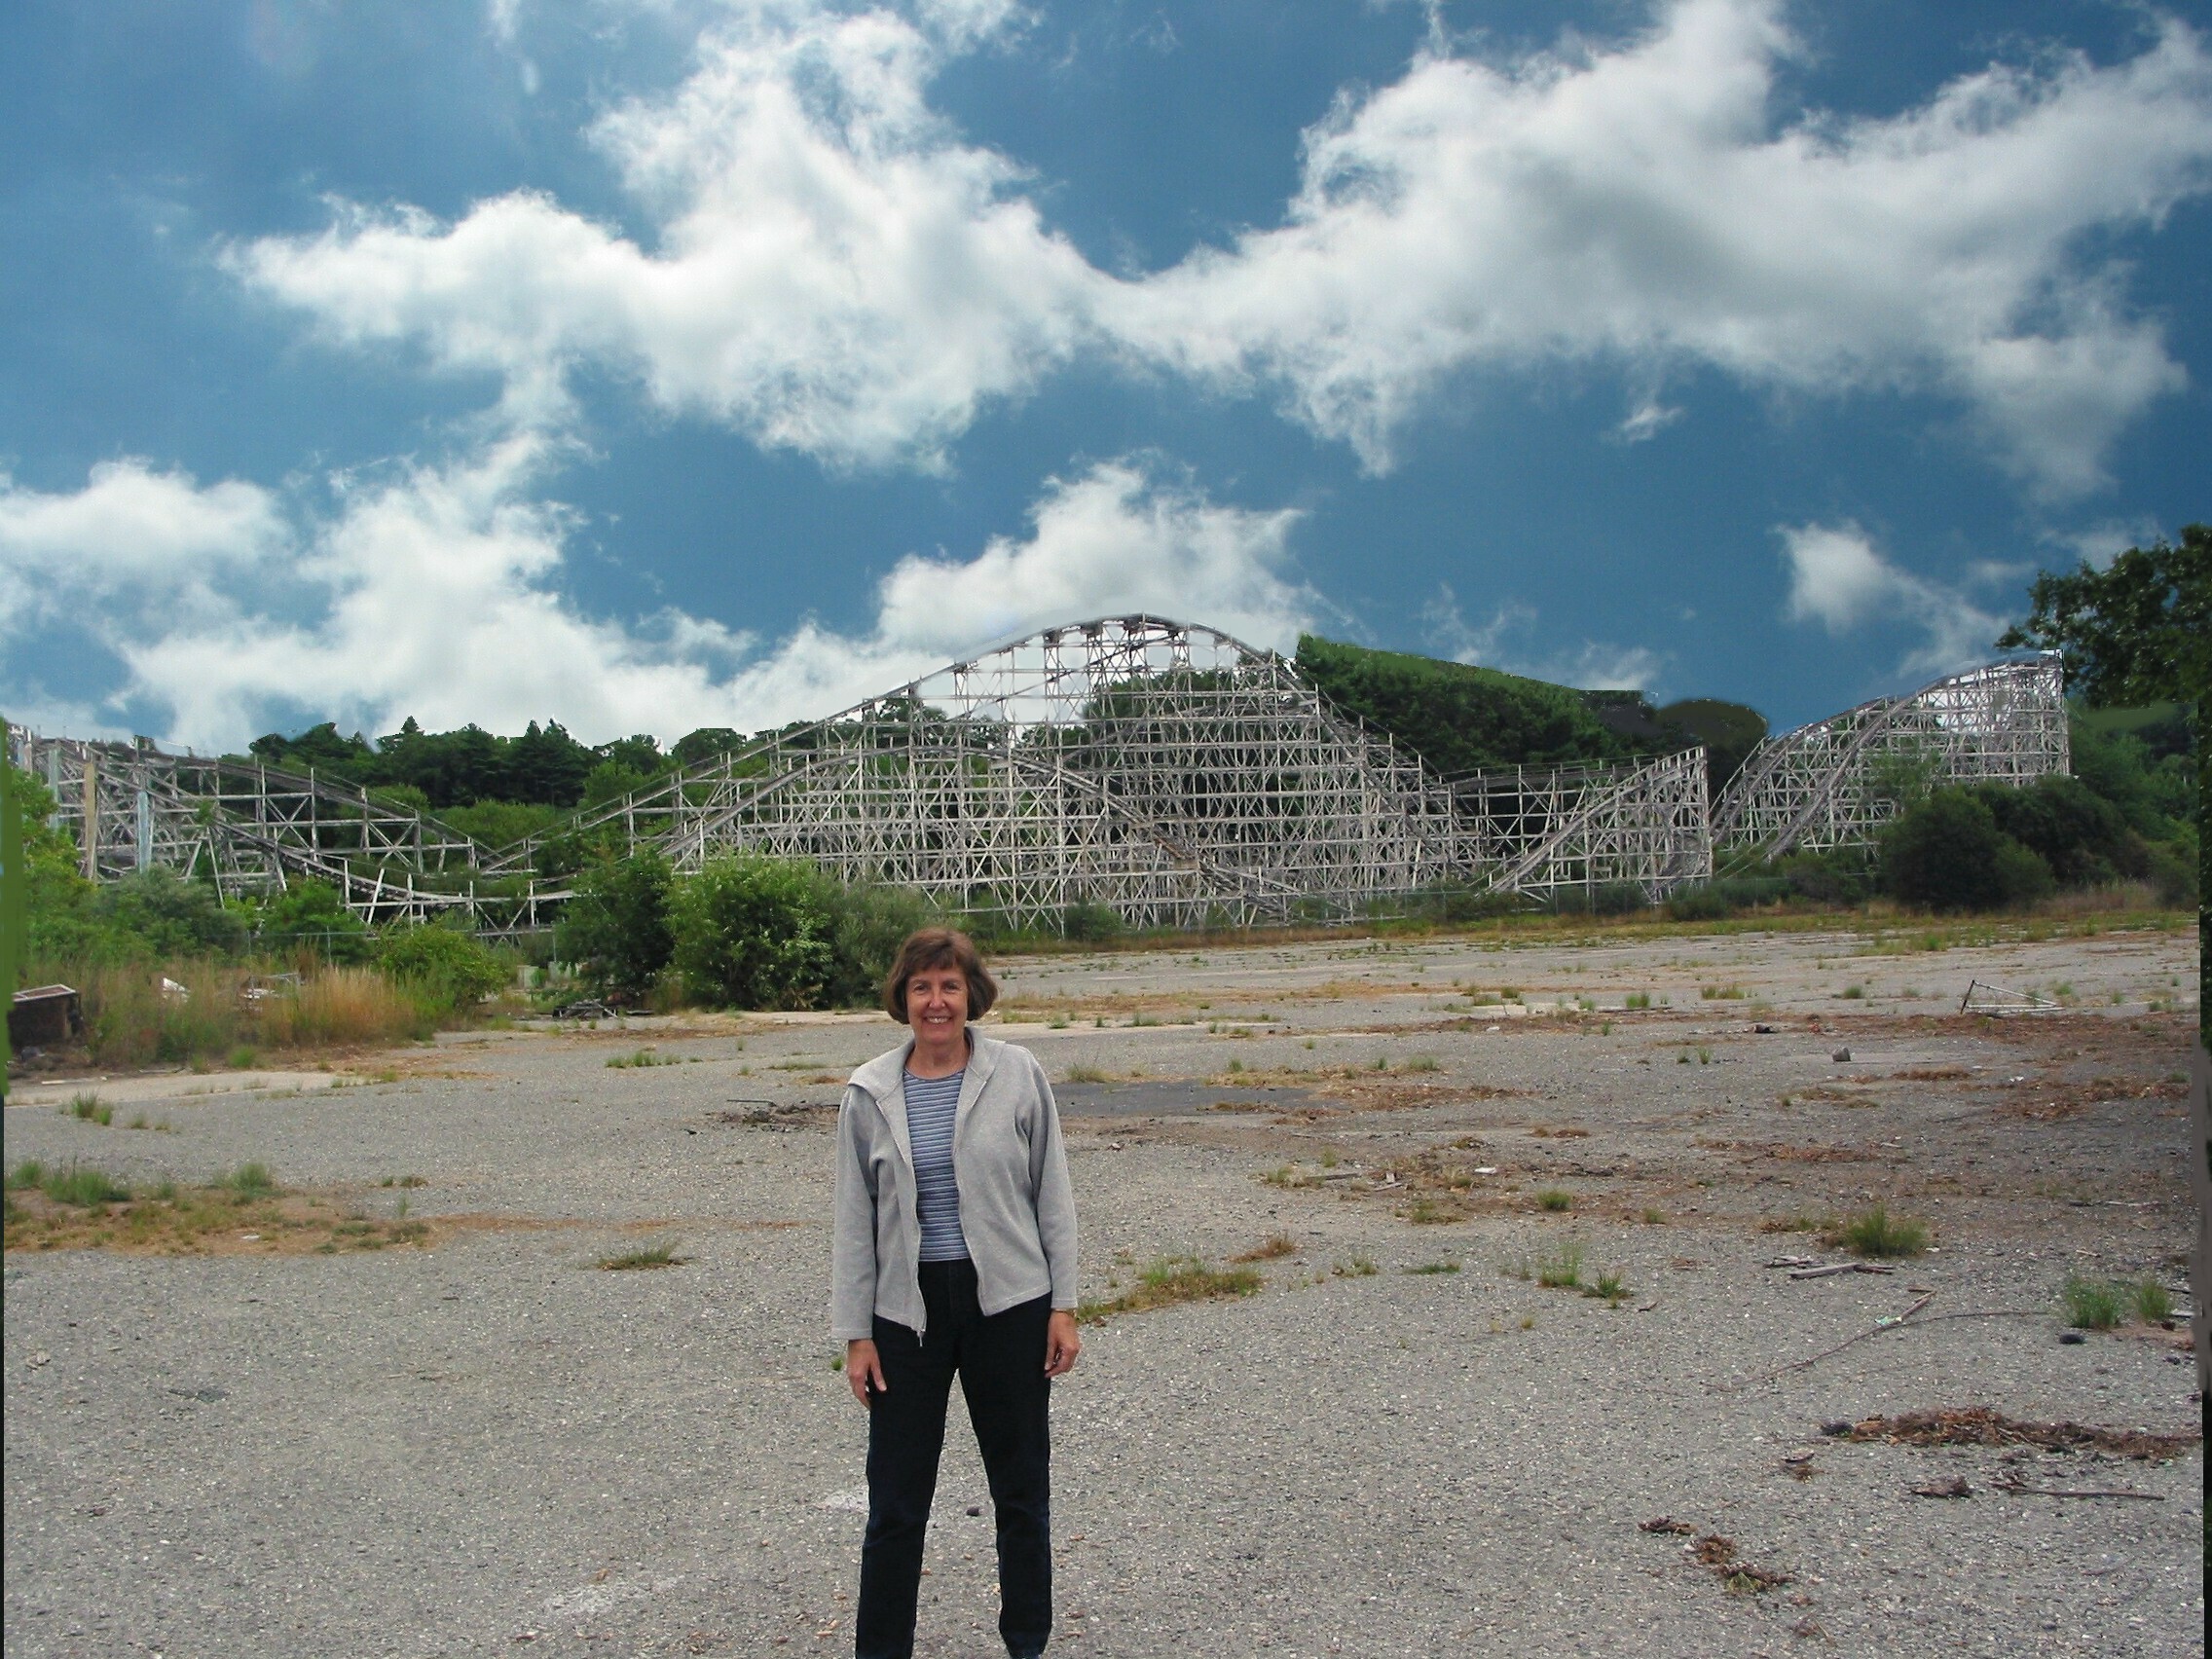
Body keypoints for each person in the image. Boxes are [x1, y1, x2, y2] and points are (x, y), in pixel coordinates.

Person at [831, 927, 1081, 1659]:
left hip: (1008, 1303)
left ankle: (1026, 1641)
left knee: (1020, 1488)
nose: (936, 1002)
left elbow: (1052, 1195)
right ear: (901, 999)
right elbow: (853, 1221)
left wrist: (1062, 1305)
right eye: (921, 987)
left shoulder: (1018, 1073)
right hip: (906, 1314)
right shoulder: (869, 1091)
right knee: (897, 1504)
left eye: (949, 986)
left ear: (971, 994)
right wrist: (857, 1333)